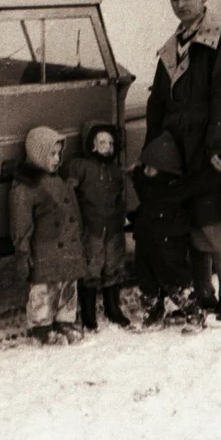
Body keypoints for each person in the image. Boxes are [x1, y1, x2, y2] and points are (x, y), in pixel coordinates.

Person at [144, 0, 221, 321]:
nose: (180, 4)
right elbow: (158, 103)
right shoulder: (172, 47)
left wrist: (219, 146)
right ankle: (203, 293)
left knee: (215, 220)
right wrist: (154, 150)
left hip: (210, 149)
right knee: (191, 221)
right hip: (179, 152)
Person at [131, 131, 221, 327]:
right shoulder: (146, 183)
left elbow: (199, 183)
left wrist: (218, 171)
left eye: (151, 169)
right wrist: (135, 173)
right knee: (147, 278)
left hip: (168, 241)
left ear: (166, 169)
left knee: (175, 278)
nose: (146, 171)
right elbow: (139, 182)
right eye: (145, 167)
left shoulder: (175, 187)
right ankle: (153, 312)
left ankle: (194, 313)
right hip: (145, 239)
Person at [10, 125, 90, 345]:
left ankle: (65, 321)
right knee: (44, 290)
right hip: (45, 249)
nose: (56, 159)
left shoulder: (60, 180)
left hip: (67, 244)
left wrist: (79, 236)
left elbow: (73, 212)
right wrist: (22, 251)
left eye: (58, 154)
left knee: (68, 286)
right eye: (51, 154)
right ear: (37, 155)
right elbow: (21, 224)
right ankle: (42, 327)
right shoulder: (25, 188)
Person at [65, 121, 131, 331]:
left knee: (113, 265)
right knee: (91, 268)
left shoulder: (115, 172)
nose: (107, 147)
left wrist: (122, 217)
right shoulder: (81, 168)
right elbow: (69, 194)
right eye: (102, 142)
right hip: (91, 229)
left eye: (111, 143)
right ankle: (88, 314)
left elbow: (121, 198)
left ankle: (113, 307)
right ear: (91, 145)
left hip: (113, 228)